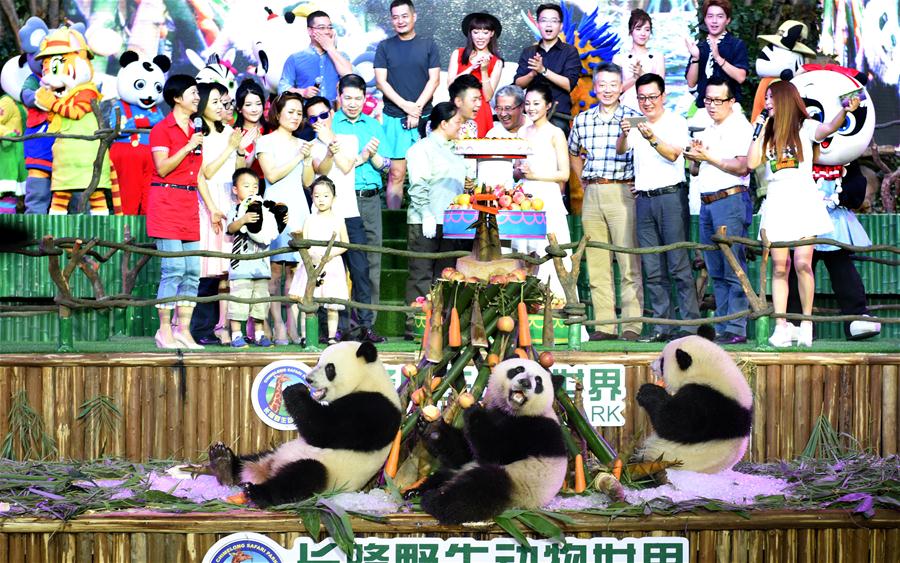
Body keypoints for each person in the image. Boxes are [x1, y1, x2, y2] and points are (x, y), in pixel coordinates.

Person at [747, 80, 857, 347]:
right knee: (780, 266)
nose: (767, 102)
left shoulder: (805, 127)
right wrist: (759, 130)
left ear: (785, 99)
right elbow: (751, 163)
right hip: (777, 200)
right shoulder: (766, 130)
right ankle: (782, 325)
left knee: (803, 263)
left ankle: (806, 322)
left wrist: (846, 110)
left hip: (803, 198)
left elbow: (828, 127)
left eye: (771, 97)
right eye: (766, 98)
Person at [616, 73, 699, 342]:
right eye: (642, 98)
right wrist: (624, 132)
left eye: (652, 97)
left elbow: (674, 154)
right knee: (652, 266)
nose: (647, 102)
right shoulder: (637, 121)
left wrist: (652, 137)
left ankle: (689, 326)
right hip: (644, 199)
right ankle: (662, 326)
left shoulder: (675, 121)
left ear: (663, 96)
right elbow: (621, 150)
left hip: (670, 197)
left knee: (678, 264)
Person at [147, 74, 226, 349]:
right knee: (174, 268)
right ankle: (164, 331)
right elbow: (163, 167)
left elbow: (199, 176)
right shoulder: (162, 130)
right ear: (177, 97)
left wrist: (213, 208)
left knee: (193, 270)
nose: (197, 97)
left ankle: (183, 330)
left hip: (189, 205)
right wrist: (188, 146)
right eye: (193, 92)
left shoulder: (195, 128)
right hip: (166, 202)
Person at [569, 63, 643, 341]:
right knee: (597, 261)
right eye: (602, 84)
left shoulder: (633, 118)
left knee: (627, 261)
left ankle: (632, 325)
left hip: (623, 192)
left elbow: (643, 154)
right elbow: (574, 152)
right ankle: (604, 325)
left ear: (621, 86)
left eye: (613, 84)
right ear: (595, 86)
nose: (607, 90)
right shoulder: (583, 119)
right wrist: (583, 180)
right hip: (592, 194)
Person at [683, 77, 752, 345]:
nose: (712, 105)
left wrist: (706, 157)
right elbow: (697, 170)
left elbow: (742, 166)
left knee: (733, 263)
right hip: (707, 201)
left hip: (730, 200)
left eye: (718, 100)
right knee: (715, 268)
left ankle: (736, 326)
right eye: (708, 100)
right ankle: (725, 325)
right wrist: (695, 159)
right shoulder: (708, 128)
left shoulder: (740, 127)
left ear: (732, 102)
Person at [333, 74, 391, 340]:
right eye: (348, 98)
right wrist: (361, 157)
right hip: (340, 199)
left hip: (369, 199)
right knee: (340, 263)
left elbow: (385, 165)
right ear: (339, 97)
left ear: (366, 99)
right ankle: (342, 326)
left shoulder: (373, 125)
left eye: (358, 98)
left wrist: (374, 155)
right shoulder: (332, 123)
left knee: (371, 262)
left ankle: (367, 324)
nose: (353, 103)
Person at [256, 92, 314, 345]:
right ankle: (275, 324)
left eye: (299, 113)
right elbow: (271, 175)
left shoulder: (301, 143)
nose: (295, 117)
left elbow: (307, 181)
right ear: (277, 113)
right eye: (290, 111)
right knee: (274, 272)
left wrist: (309, 159)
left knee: (295, 271)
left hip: (300, 209)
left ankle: (293, 326)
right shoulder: (265, 142)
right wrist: (299, 157)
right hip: (276, 212)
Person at [404, 102, 467, 336]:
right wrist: (426, 213)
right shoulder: (422, 149)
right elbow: (418, 185)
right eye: (458, 122)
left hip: (451, 221)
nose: (461, 126)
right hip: (425, 220)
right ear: (443, 123)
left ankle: (441, 323)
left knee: (445, 274)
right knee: (421, 273)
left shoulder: (456, 149)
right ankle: (416, 326)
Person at [374, 0, 441, 210]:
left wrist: (417, 108)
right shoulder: (384, 47)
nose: (400, 21)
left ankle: (428, 224)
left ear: (414, 16)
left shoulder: (428, 45)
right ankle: (396, 226)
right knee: (396, 173)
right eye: (395, 17)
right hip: (395, 117)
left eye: (404, 16)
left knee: (427, 174)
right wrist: (407, 107)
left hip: (425, 118)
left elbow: (434, 80)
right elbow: (380, 82)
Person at [513, 84, 571, 299]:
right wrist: (519, 171)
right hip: (525, 198)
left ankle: (555, 302)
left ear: (548, 106)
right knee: (526, 253)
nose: (531, 108)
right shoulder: (521, 132)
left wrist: (534, 174)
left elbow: (564, 174)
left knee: (551, 250)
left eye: (536, 103)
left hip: (548, 197)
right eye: (527, 104)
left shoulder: (556, 133)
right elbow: (517, 170)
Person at [289, 176, 350, 345]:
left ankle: (331, 336)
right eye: (316, 196)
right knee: (308, 301)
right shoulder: (309, 219)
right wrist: (311, 256)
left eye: (325, 195)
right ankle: (305, 336)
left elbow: (345, 244)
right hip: (311, 265)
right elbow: (305, 241)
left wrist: (331, 254)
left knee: (332, 303)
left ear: (333, 197)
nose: (321, 200)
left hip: (332, 264)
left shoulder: (338, 219)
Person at [226, 168, 282, 348]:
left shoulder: (263, 209)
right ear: (235, 189)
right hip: (240, 266)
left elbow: (271, 231)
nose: (251, 189)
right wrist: (243, 220)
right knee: (239, 301)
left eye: (255, 186)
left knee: (260, 301)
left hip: (261, 266)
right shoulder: (235, 209)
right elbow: (230, 228)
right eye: (246, 185)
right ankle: (236, 335)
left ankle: (259, 335)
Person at [513, 3, 581, 135]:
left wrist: (543, 70)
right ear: (538, 25)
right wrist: (532, 73)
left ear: (561, 26)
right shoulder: (529, 52)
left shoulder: (570, 51)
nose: (548, 25)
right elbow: (518, 84)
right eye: (544, 21)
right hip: (531, 115)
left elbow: (569, 85)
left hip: (558, 115)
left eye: (554, 21)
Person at [447, 12, 503, 138]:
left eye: (485, 32)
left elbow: (488, 97)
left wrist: (483, 71)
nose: (480, 37)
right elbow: (451, 86)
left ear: (492, 34)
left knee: (478, 153)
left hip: (480, 112)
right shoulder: (458, 54)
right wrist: (471, 68)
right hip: (457, 109)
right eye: (476, 32)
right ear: (470, 34)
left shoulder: (497, 62)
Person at [685, 0, 749, 110]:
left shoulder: (736, 44)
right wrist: (695, 58)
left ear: (727, 20)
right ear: (705, 19)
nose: (714, 21)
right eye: (710, 16)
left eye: (720, 16)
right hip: (704, 107)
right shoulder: (700, 47)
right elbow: (691, 83)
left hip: (729, 107)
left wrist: (718, 58)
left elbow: (741, 77)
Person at [279, 10, 353, 101]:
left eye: (330, 27)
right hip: (307, 112)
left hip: (333, 113)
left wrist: (330, 48)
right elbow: (282, 89)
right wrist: (302, 92)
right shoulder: (295, 58)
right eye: (321, 28)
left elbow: (349, 75)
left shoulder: (341, 56)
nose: (327, 31)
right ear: (310, 31)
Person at [613, 9, 665, 112]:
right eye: (638, 29)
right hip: (626, 109)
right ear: (630, 31)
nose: (643, 33)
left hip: (651, 109)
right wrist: (634, 78)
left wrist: (642, 74)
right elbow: (616, 89)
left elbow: (660, 88)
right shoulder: (619, 58)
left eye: (647, 29)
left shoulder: (657, 57)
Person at [233, 79, 265, 180]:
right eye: (248, 105)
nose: (254, 109)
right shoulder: (234, 134)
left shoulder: (272, 130)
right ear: (239, 108)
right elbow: (237, 173)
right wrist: (255, 149)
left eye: (258, 104)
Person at [448, 74, 483, 139]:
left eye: (480, 99)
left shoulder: (472, 125)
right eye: (474, 100)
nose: (479, 104)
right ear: (458, 101)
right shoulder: (439, 124)